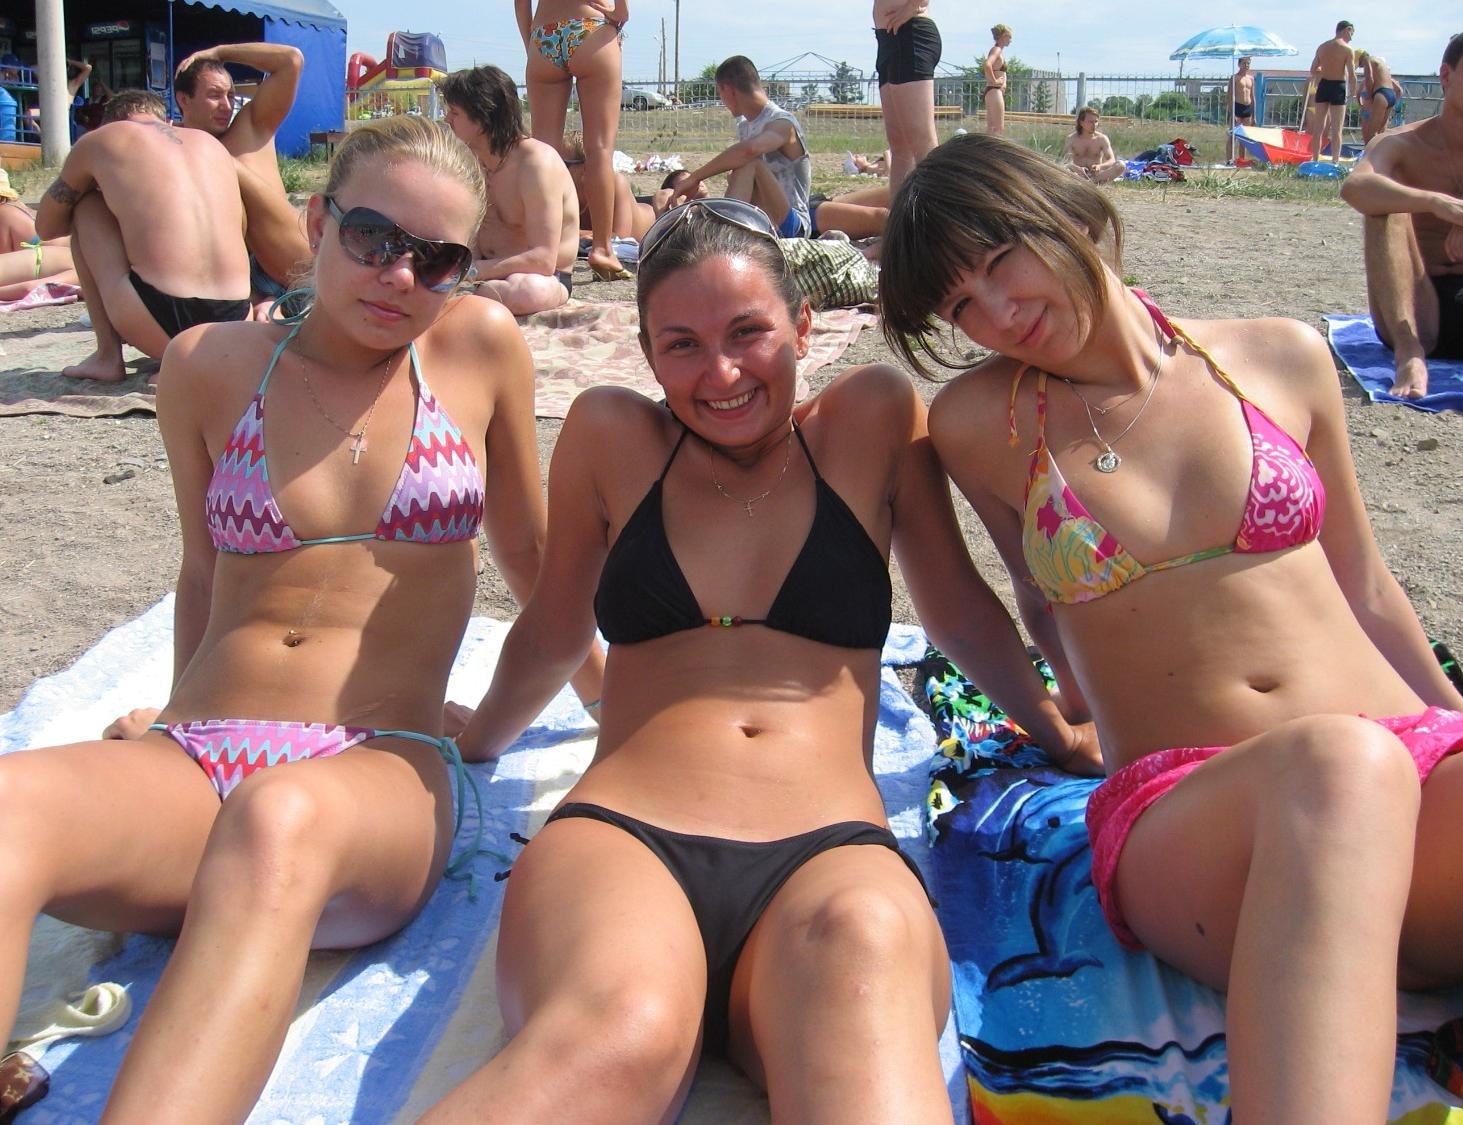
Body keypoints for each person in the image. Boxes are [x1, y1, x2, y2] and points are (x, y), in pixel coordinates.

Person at [417, 197, 1096, 1122]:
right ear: (646, 352)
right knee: (621, 1032)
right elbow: (552, 629)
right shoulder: (610, 434)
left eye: (748, 332)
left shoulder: (870, 420)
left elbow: (959, 613)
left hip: (828, 852)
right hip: (624, 837)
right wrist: (475, 742)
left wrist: (1057, 731)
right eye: (682, 345)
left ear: (805, 325)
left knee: (862, 1007)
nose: (722, 373)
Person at [881, 131, 1463, 1124]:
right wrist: (1056, 729)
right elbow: (997, 605)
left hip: (1409, 775)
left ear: (1064, 214)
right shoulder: (979, 423)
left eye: (1001, 262)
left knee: (1374, 766)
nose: (997, 314)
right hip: (1196, 816)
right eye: (960, 306)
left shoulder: (1281, 354)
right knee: (1339, 766)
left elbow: (1365, 585)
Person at [0, 115, 603, 1121]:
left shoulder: (476, 347)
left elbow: (536, 565)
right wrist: (170, 713)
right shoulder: (205, 363)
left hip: (373, 770)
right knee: (11, 801)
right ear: (319, 223)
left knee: (278, 818)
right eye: (373, 238)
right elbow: (205, 569)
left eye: (436, 259)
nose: (399, 276)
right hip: (201, 756)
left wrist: (578, 707)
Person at [34, 90, 250, 382]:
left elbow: (46, 227)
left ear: (111, 122)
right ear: (166, 121)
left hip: (161, 318)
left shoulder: (102, 139)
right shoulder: (211, 144)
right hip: (236, 322)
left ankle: (107, 357)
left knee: (86, 206)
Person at [1339, 25, 1463, 398]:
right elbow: (1355, 187)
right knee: (1386, 206)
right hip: (1415, 310)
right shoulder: (1402, 143)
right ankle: (1409, 355)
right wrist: (1436, 203)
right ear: (1446, 75)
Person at [174, 42, 309, 318]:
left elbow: (290, 60)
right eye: (214, 95)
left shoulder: (250, 128)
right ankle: (264, 302)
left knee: (220, 162)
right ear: (183, 100)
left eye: (231, 96)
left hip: (296, 274)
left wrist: (219, 53)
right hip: (235, 285)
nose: (226, 106)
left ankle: (269, 302)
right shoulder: (171, 148)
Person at [440, 65, 580, 314]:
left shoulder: (536, 163)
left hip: (540, 278)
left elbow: (543, 259)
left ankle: (475, 301)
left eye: (454, 112)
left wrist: (469, 272)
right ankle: (476, 299)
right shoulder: (469, 160)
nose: (447, 120)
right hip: (482, 275)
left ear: (482, 118)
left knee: (528, 291)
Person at [516, 0, 630, 281]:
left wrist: (532, 42)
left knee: (543, 155)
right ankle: (602, 249)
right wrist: (620, 13)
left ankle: (543, 247)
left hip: (543, 33)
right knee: (599, 150)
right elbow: (621, 11)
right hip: (591, 29)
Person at [669, 56, 813, 238]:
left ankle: (724, 235)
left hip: (793, 226)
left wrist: (695, 177)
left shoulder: (782, 122)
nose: (723, 102)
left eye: (720, 94)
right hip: (762, 220)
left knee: (749, 163)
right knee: (739, 170)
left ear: (728, 90)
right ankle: (725, 230)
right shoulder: (746, 126)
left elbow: (749, 151)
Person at [874, 1, 940, 193]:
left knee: (923, 143)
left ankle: (936, 208)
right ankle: (899, 211)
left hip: (911, 31)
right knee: (899, 146)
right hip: (887, 38)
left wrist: (913, 6)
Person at [561, 128, 654, 241]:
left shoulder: (615, 183)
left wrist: (570, 232)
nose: (556, 169)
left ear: (586, 166)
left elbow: (620, 238)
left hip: (654, 223)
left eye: (563, 164)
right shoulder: (560, 192)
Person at [0, 170, 76, 301]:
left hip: (60, 255)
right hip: (68, 250)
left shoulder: (4, 215)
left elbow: (7, 264)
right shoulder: (16, 208)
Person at [1308, 20, 1357, 163]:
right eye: (1351, 33)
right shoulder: (1347, 49)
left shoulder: (1322, 47)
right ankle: (1335, 161)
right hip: (1338, 86)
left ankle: (1315, 160)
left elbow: (1313, 69)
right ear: (1347, 30)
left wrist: (1324, 70)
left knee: (1318, 127)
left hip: (1324, 85)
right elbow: (1352, 74)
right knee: (1337, 129)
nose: (1351, 37)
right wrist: (1353, 91)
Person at [1062, 106, 1126, 184]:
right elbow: (1065, 161)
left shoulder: (1102, 139)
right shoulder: (1071, 139)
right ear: (1081, 123)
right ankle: (1084, 183)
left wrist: (1100, 166)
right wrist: (1076, 168)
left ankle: (1091, 183)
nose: (1094, 125)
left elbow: (1111, 160)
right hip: (1077, 175)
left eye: (1096, 121)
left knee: (1121, 165)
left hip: (1097, 176)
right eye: (1090, 122)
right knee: (1063, 168)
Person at [1356, 50, 1406, 143]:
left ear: (1360, 59)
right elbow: (1399, 90)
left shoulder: (1367, 60)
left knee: (1371, 133)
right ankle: (1382, 151)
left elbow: (1369, 78)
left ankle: (1371, 152)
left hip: (1381, 95)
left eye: (1360, 65)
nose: (1361, 67)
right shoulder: (1380, 63)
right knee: (1381, 131)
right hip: (1390, 94)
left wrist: (1370, 96)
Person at [983, 23, 1011, 138]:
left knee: (992, 128)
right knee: (998, 129)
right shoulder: (997, 50)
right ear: (1003, 36)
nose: (1010, 40)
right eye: (1009, 37)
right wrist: (995, 81)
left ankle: (986, 148)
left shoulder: (998, 50)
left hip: (992, 91)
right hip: (995, 90)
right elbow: (987, 65)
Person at [1227, 56, 1255, 161]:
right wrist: (1232, 113)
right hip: (1237, 107)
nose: (1246, 65)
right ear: (1239, 64)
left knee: (1244, 138)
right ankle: (1229, 160)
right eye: (1244, 63)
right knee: (1233, 136)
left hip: (1247, 108)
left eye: (1248, 63)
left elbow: (1253, 97)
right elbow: (1230, 96)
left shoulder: (1251, 78)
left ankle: (1241, 160)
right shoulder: (1235, 78)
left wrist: (1254, 115)